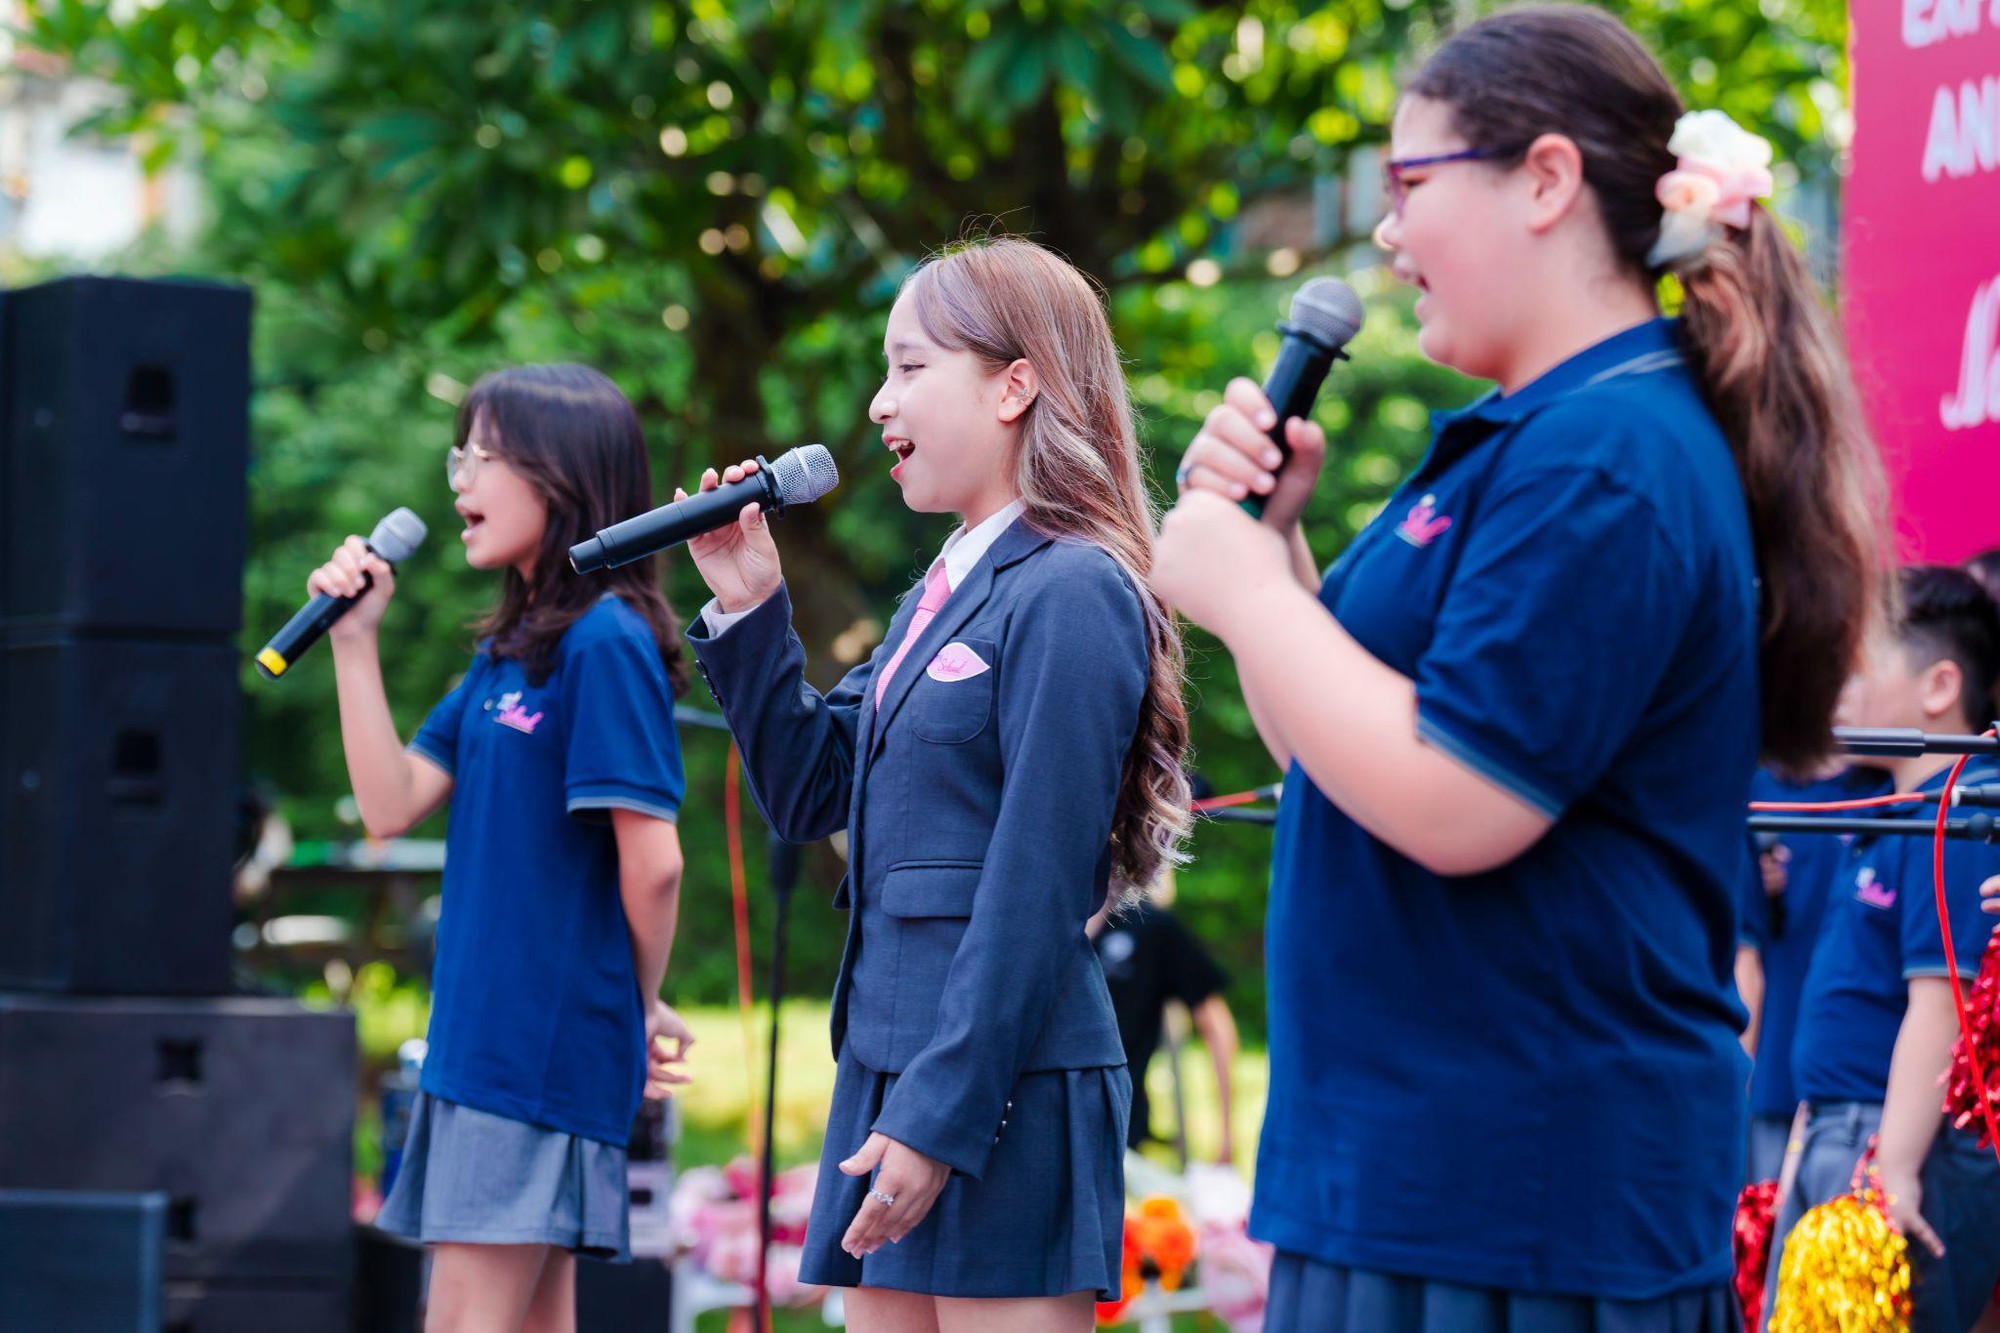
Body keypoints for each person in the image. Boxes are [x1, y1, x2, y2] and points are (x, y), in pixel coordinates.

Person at [1151, 6, 1885, 1328]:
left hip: (1522, 1208)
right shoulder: (1528, 435)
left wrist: (1253, 597)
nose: (1384, 235)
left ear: (1546, 179)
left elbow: (1462, 801)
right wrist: (1280, 558)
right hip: (1420, 1180)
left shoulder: (1612, 455)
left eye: (1409, 186)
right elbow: (1342, 746)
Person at [682, 237, 1190, 1331]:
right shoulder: (937, 592)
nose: (877, 402)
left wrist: (942, 1116)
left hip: (1000, 1077)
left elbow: (1035, 878)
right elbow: (812, 789)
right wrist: (749, 607)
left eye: (909, 367)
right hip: (890, 1065)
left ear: (1014, 384)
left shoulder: (1070, 586)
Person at [310, 364, 694, 1333]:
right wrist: (354, 643)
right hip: (486, 1046)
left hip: (532, 1053)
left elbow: (654, 862)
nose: (458, 483)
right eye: (460, 455)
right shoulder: (510, 651)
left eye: (482, 456)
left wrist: (632, 1005)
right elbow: (391, 802)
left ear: (559, 475)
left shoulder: (603, 641)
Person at [1767, 565, 2000, 1331]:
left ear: (1938, 687)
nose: (1842, 679)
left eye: (1860, 660)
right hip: (1841, 1130)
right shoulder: (1896, 811)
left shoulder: (1963, 808)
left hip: (1892, 1142)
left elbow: (1943, 1000)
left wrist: (1894, 1165)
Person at [1738, 759, 1893, 1183]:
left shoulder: (1890, 788)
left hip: (1863, 1089)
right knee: (1760, 1227)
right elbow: (1740, 952)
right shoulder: (1760, 787)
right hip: (1770, 1064)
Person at [1088, 868, 1240, 1163]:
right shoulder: (1043, 919)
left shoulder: (1147, 926)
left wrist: (1225, 1132)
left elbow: (1216, 1025)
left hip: (1115, 1128)